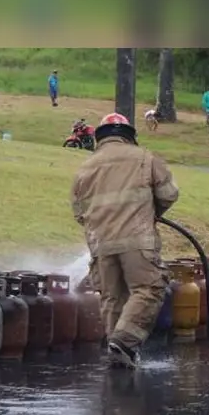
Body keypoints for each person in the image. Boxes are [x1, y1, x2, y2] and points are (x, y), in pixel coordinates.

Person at [71, 113, 179, 368]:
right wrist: (151, 212)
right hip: (137, 239)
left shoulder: (85, 168)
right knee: (149, 288)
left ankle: (118, 353)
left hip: (101, 244)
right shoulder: (144, 157)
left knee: (112, 296)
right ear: (129, 136)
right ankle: (125, 341)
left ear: (100, 137)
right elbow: (168, 194)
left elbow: (79, 213)